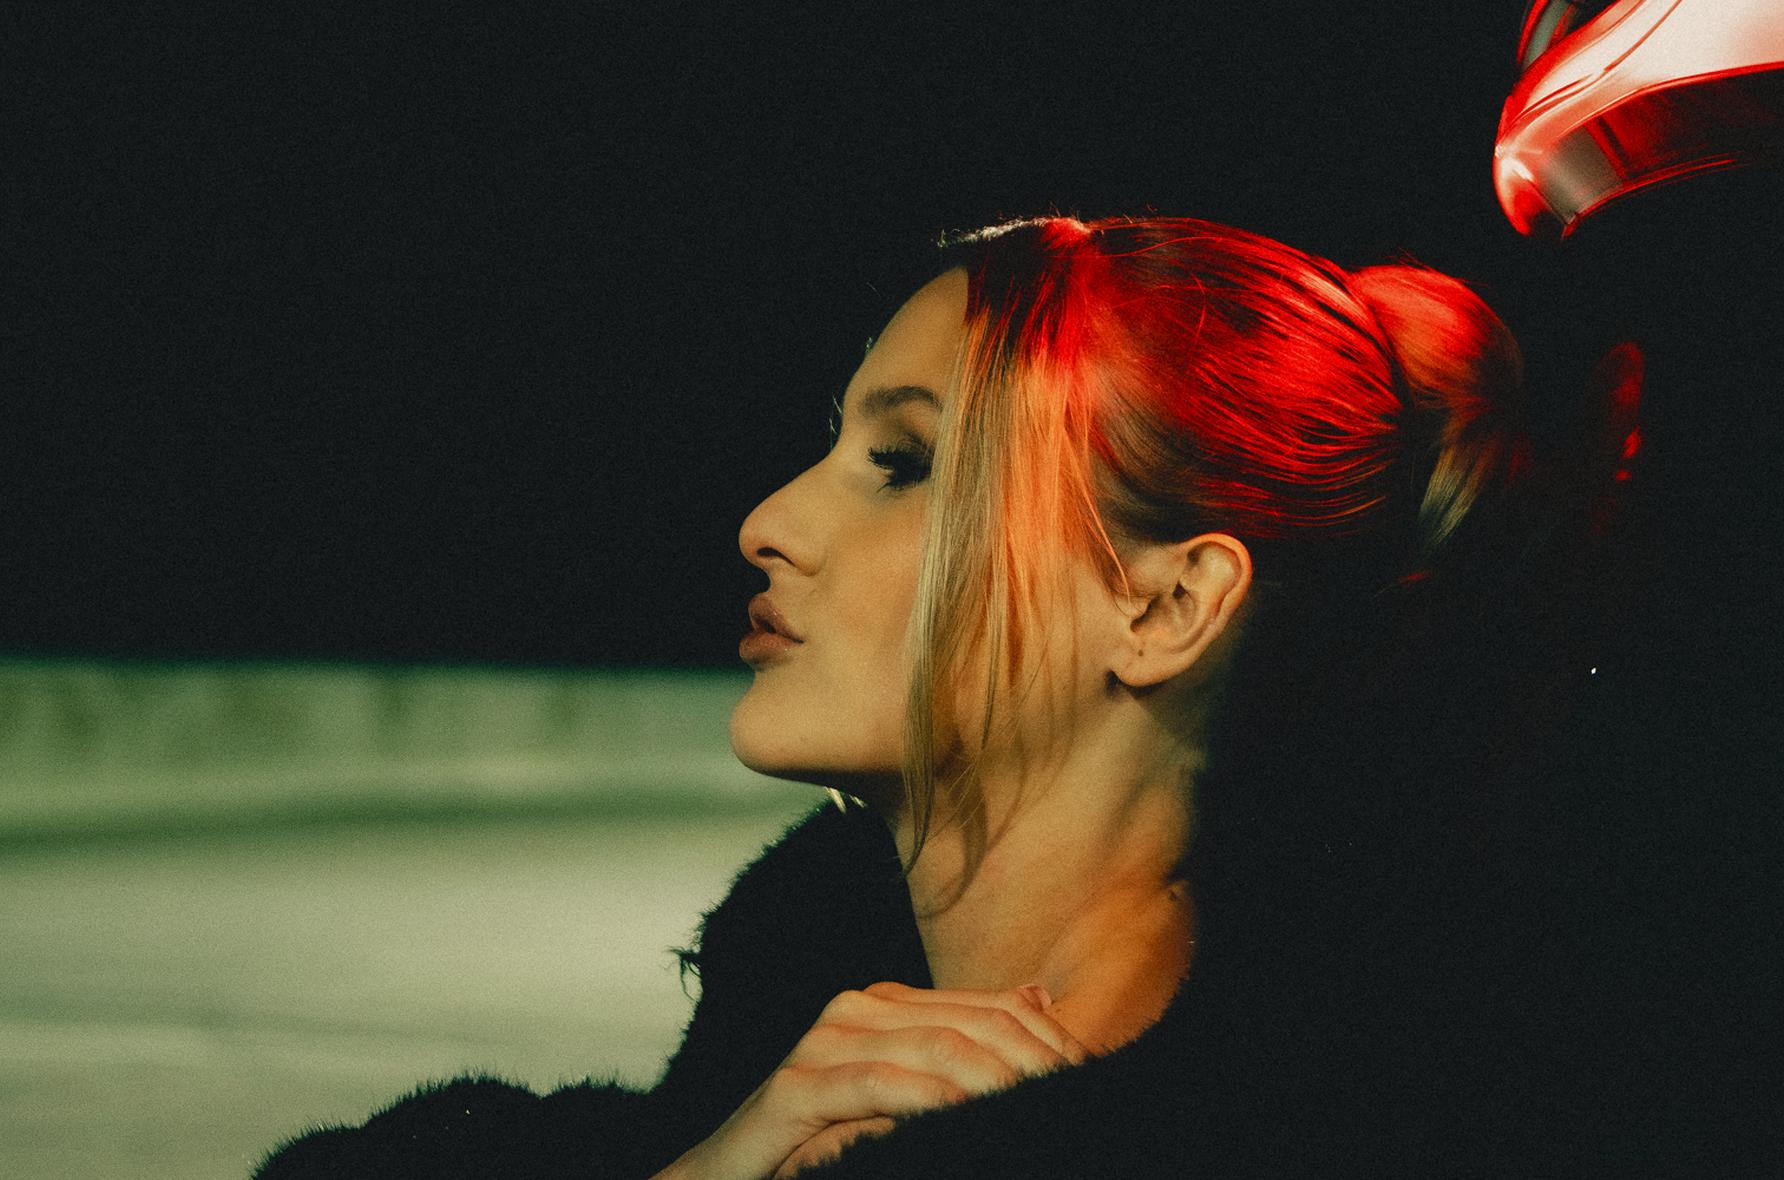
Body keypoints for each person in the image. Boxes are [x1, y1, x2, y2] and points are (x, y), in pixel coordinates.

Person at [257, 214, 1534, 1177]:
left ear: (1163, 607)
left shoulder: (1247, 1128)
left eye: (902, 463)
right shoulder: (810, 1018)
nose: (768, 524)